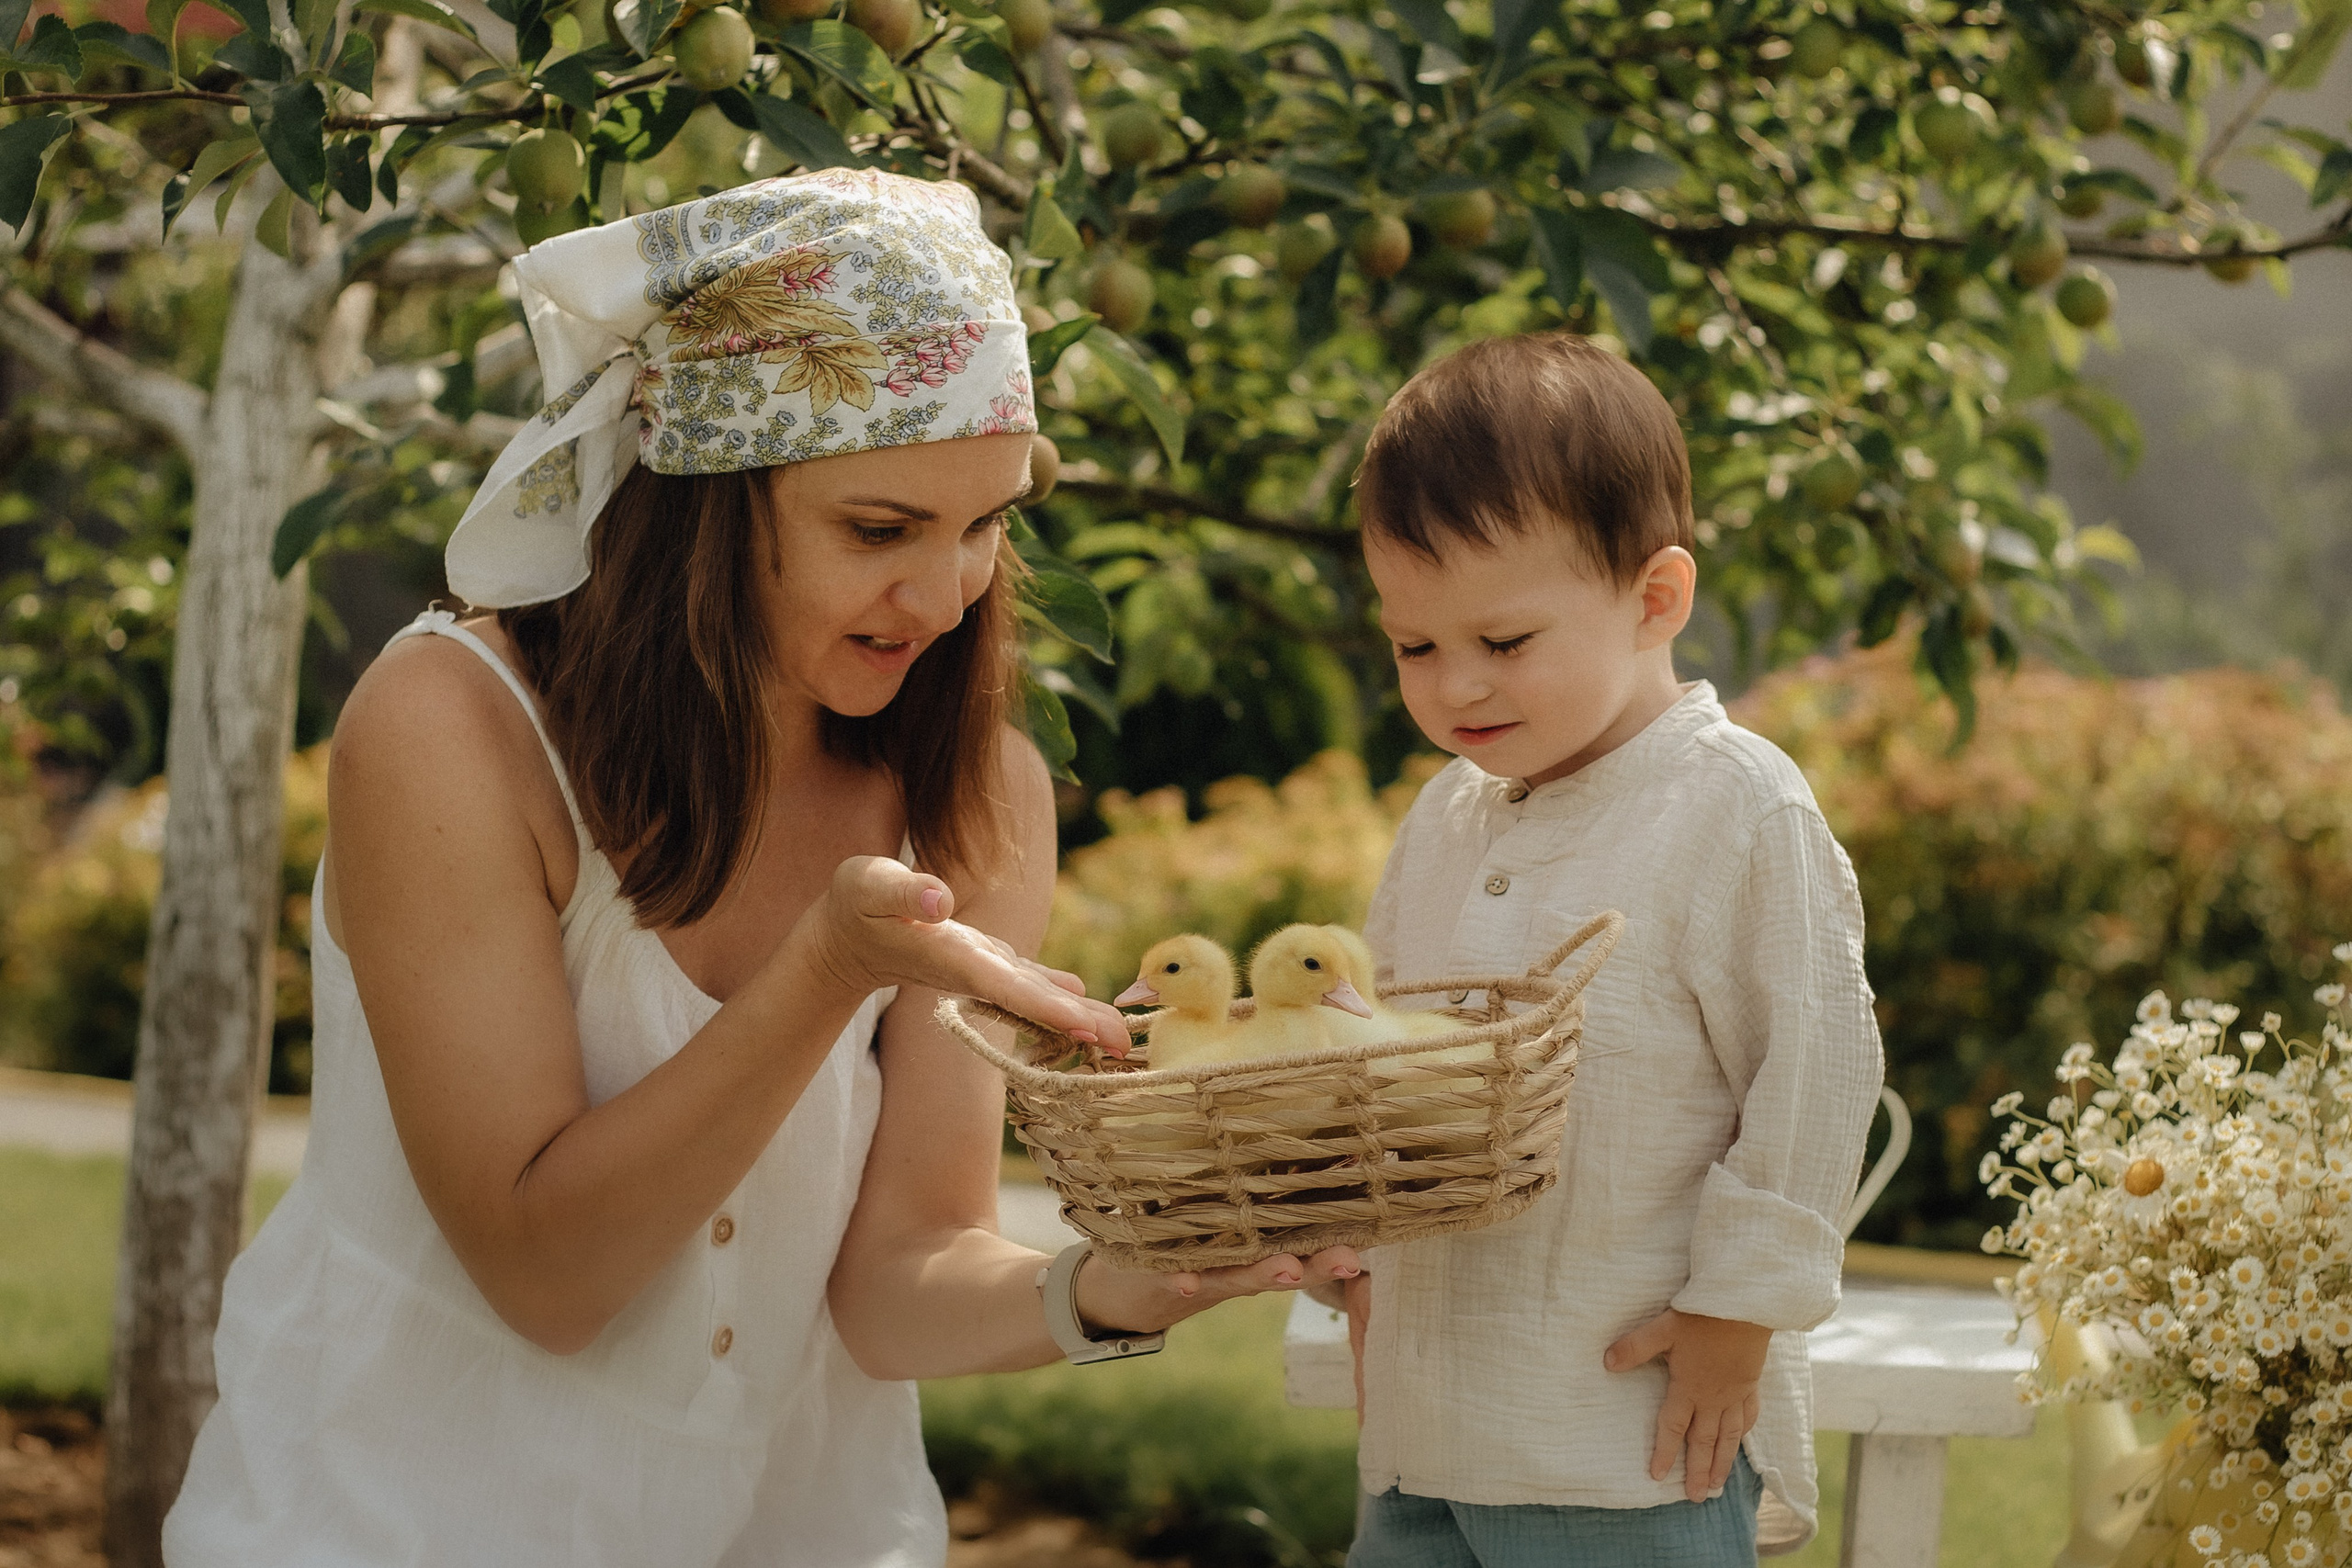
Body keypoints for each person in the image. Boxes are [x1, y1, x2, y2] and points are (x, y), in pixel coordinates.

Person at [162, 169, 1358, 1568]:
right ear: (707, 498)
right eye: (879, 529)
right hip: (385, 1527)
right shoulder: (452, 732)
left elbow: (898, 1279)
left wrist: (1119, 1290)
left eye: (984, 525)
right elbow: (546, 1275)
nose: (945, 596)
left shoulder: (977, 791)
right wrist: (831, 969)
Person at [1339, 333, 1884, 1564]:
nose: (1455, 689)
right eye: (1415, 646)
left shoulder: (1732, 807)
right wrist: (1348, 1224)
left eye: (1504, 642)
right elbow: (1383, 1058)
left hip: (1626, 1443)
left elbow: (1817, 1071)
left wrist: (1738, 1310)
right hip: (1427, 1429)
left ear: (1655, 599)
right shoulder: (1445, 816)